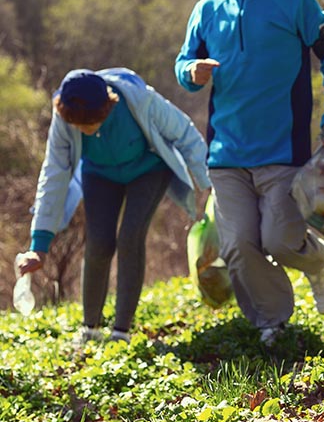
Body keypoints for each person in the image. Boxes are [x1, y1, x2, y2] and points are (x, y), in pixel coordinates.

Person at [174, 0, 324, 346]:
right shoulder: (207, 9)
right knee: (237, 246)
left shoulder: (296, 1)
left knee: (281, 241)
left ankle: (318, 261)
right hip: (226, 154)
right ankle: (273, 323)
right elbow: (182, 64)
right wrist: (191, 73)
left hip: (282, 151)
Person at [16, 68, 210, 345]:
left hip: (148, 169)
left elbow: (185, 134)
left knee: (131, 237)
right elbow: (54, 174)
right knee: (99, 244)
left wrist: (209, 181)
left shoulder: (140, 100)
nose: (86, 130)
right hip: (100, 175)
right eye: (79, 126)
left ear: (107, 105)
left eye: (91, 123)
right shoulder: (65, 119)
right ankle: (90, 328)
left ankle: (121, 331)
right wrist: (39, 245)